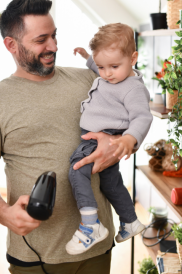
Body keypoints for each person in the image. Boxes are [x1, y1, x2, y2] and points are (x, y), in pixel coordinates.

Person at [0, 0, 126, 274]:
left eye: (54, 36)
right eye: (41, 40)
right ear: (11, 45)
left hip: (97, 247)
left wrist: (120, 144)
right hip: (35, 256)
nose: (53, 46)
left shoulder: (88, 81)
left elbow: (130, 120)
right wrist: (5, 213)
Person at [65, 23, 153, 256]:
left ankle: (90, 224)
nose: (107, 73)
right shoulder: (109, 71)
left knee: (76, 169)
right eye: (102, 67)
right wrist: (86, 56)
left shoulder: (132, 89)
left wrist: (129, 140)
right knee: (111, 183)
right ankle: (131, 221)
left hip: (100, 140)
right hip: (103, 137)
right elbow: (99, 63)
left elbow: (142, 117)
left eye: (114, 66)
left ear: (133, 58)